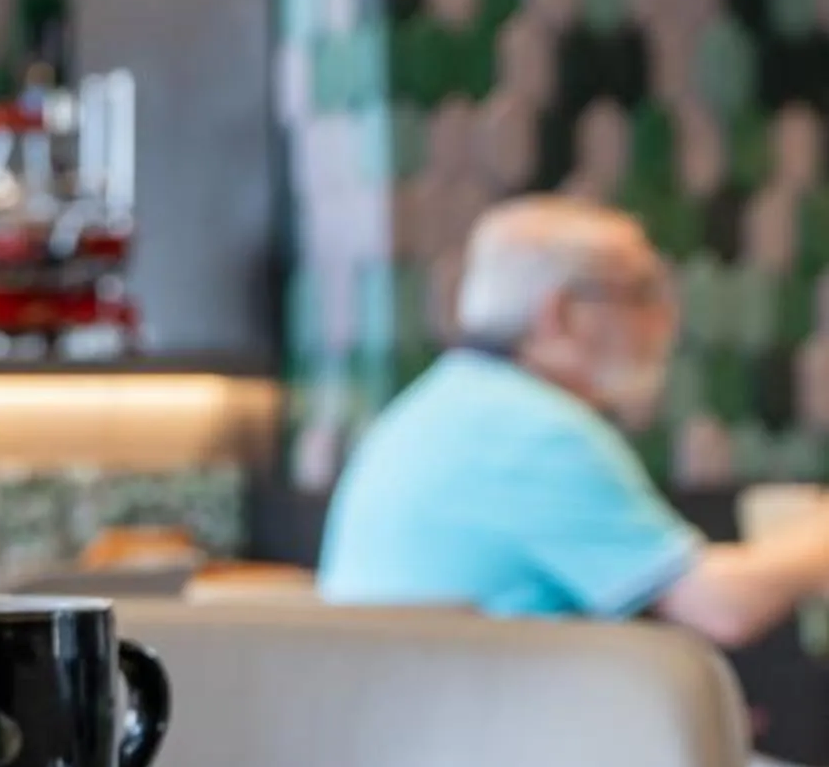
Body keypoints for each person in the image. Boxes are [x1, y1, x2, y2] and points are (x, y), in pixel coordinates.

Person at [321, 196, 829, 644]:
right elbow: (718, 609)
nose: (668, 321)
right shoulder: (529, 431)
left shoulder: (448, 405)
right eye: (642, 294)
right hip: (491, 746)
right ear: (560, 313)